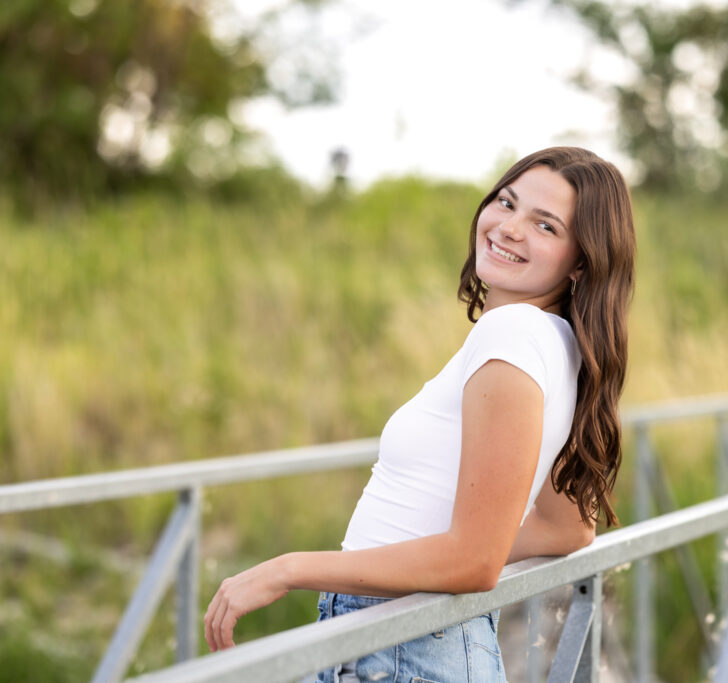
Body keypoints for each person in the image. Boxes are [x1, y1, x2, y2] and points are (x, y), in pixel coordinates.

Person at [203, 147, 636, 682]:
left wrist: (289, 569)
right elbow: (565, 528)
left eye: (545, 225)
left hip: (403, 653)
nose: (509, 228)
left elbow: (476, 560)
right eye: (506, 202)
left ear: (580, 261)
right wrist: (443, 546)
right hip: (427, 643)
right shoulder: (560, 344)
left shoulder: (511, 336)